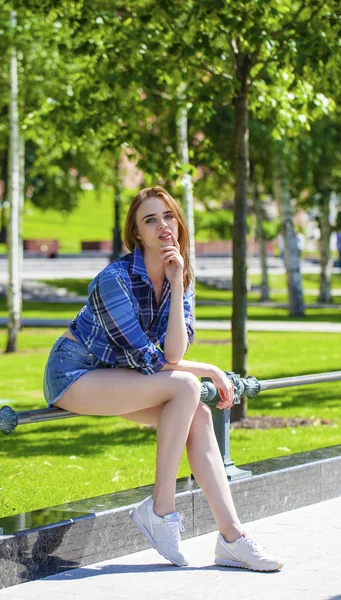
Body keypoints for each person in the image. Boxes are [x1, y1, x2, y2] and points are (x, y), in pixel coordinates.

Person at [43, 185, 283, 572]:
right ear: (136, 233)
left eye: (168, 216)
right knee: (188, 386)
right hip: (77, 374)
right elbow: (150, 361)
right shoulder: (114, 280)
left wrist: (174, 286)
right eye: (150, 220)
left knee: (200, 417)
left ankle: (232, 538)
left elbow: (172, 354)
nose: (162, 226)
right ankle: (162, 508)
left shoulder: (181, 276)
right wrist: (209, 370)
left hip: (123, 375)